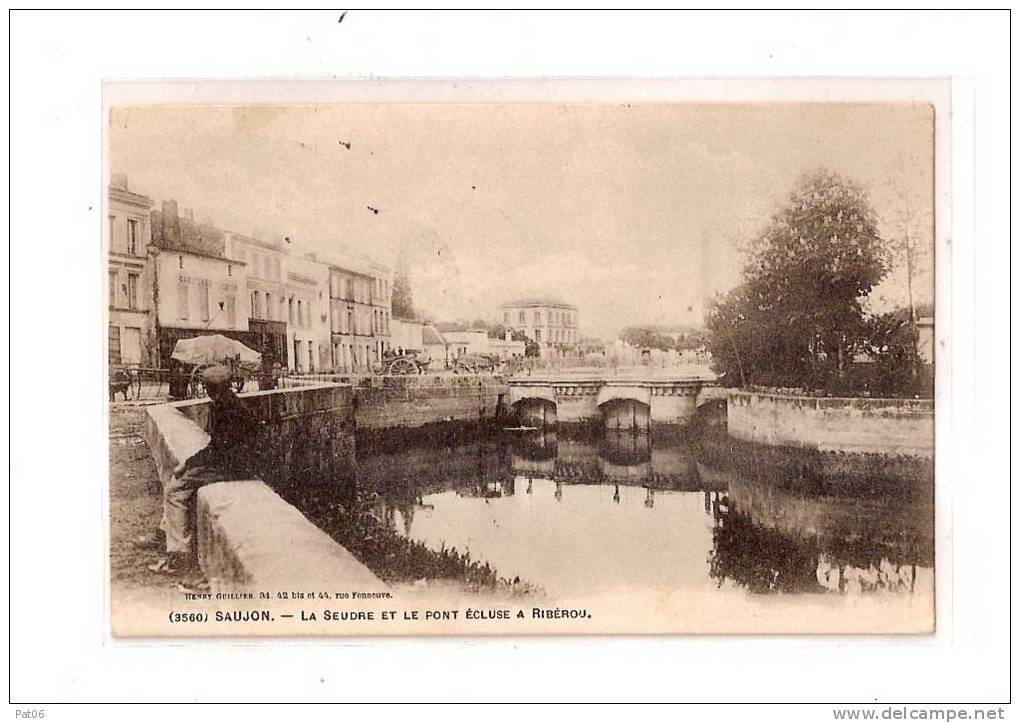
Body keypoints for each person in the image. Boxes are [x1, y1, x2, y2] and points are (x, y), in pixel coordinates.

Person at [136, 365, 262, 582]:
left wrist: (188, 465)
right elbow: (220, 448)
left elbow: (217, 450)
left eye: (207, 387)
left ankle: (178, 555)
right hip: (236, 464)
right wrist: (190, 465)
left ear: (212, 388)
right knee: (178, 481)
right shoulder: (232, 404)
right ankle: (165, 534)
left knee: (176, 489)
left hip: (232, 468)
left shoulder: (224, 409)